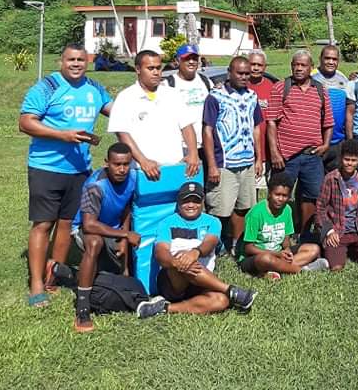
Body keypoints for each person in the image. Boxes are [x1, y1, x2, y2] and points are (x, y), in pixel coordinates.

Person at [19, 44, 113, 307]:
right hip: (46, 167)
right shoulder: (47, 87)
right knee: (43, 224)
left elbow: (117, 111)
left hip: (79, 169)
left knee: (66, 223)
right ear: (61, 61)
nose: (76, 64)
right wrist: (63, 135)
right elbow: (25, 122)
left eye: (81, 60)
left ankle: (53, 275)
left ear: (88, 62)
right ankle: (36, 284)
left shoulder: (95, 88)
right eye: (71, 59)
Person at [140, 181, 256, 317]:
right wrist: (176, 262)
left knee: (222, 301)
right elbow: (161, 252)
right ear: (178, 202)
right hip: (174, 281)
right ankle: (231, 290)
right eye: (186, 201)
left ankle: (165, 308)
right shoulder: (167, 223)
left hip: (201, 281)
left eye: (195, 201)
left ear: (202, 202)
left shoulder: (212, 222)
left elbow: (210, 243)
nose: (191, 205)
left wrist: (196, 252)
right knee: (183, 257)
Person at [70, 142, 139, 332]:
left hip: (114, 228)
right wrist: (125, 234)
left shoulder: (133, 177)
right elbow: (89, 224)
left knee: (110, 276)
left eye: (126, 164)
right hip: (86, 229)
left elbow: (126, 208)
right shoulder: (95, 186)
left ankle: (62, 272)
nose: (122, 169)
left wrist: (124, 240)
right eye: (117, 164)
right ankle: (82, 308)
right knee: (94, 242)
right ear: (107, 163)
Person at [266, 49, 334, 238]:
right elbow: (271, 121)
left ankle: (303, 233)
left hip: (312, 155)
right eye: (295, 65)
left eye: (303, 65)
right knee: (280, 195)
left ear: (311, 68)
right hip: (286, 155)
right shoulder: (281, 87)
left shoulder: (320, 90)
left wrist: (326, 144)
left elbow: (328, 122)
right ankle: (278, 232)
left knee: (311, 196)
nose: (298, 68)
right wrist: (275, 152)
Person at [202, 55, 263, 256]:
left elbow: (256, 128)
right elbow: (208, 131)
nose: (244, 77)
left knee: (244, 207)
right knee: (220, 209)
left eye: (247, 73)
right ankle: (214, 247)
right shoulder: (215, 97)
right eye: (240, 73)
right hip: (224, 163)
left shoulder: (252, 96)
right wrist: (212, 165)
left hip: (246, 162)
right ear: (230, 72)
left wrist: (259, 158)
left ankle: (238, 245)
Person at [108, 49, 200, 179]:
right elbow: (123, 134)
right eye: (150, 68)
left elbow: (187, 126)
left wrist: (193, 153)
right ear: (138, 69)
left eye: (158, 68)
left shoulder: (173, 95)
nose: (156, 72)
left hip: (176, 168)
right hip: (143, 171)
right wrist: (143, 161)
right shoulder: (125, 98)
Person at [241, 171, 327, 278]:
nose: (280, 199)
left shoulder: (287, 210)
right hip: (256, 256)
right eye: (277, 195)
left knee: (314, 249)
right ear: (269, 193)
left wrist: (287, 251)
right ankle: (302, 271)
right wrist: (276, 254)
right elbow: (248, 248)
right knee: (266, 259)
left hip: (278, 253)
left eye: (285, 196)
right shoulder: (256, 213)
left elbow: (286, 239)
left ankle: (276, 270)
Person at [316, 139, 358, 272]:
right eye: (347, 159)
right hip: (338, 231)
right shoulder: (331, 178)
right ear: (341, 158)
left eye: (353, 160)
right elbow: (320, 207)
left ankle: (355, 249)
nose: (349, 163)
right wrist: (329, 231)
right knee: (336, 267)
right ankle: (340, 251)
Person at [163, 43, 211, 156]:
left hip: (206, 145)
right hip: (181, 148)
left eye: (194, 58)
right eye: (187, 58)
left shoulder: (206, 81)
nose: (191, 62)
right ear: (177, 60)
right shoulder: (167, 84)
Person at [313, 44, 350, 171]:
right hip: (317, 142)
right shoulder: (312, 77)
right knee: (314, 186)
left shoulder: (343, 79)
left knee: (334, 183)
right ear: (320, 59)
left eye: (334, 59)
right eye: (327, 58)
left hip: (338, 141)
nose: (330, 62)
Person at [247, 49, 277, 178]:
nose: (255, 68)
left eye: (259, 65)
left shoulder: (272, 87)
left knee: (268, 188)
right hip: (246, 151)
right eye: (252, 64)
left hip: (268, 149)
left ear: (265, 67)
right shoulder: (239, 85)